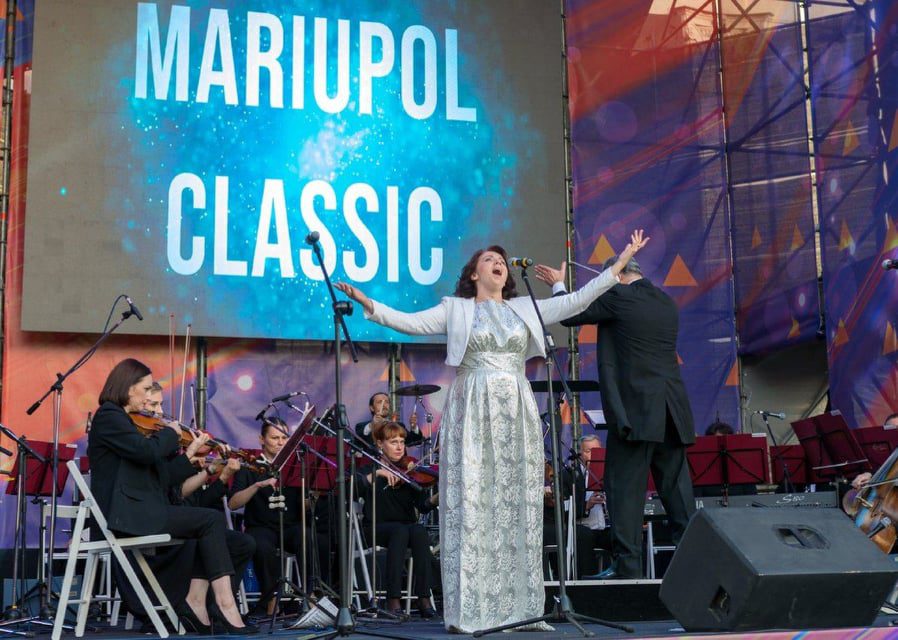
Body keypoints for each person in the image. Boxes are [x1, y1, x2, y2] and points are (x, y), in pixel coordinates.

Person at [336, 230, 647, 632]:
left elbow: (575, 301)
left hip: (515, 409)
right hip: (473, 408)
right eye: (489, 260)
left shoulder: (524, 307)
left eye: (501, 260)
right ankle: (473, 608)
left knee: (514, 502)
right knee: (475, 501)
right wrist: (370, 305)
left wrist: (618, 264)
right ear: (473, 274)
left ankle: (518, 608)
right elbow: (411, 323)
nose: (498, 263)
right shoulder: (456, 309)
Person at [536, 254, 695, 580]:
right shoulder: (665, 302)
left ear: (617, 275)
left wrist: (558, 285)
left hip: (635, 414)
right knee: (678, 495)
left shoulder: (619, 297)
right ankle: (696, 569)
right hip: (671, 411)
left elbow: (570, 314)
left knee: (624, 492)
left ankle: (627, 569)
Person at [87, 358, 256, 634]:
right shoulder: (109, 416)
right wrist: (169, 433)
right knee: (210, 520)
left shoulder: (127, 422)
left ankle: (198, 603)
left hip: (143, 508)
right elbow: (147, 452)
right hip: (127, 514)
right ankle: (224, 605)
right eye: (145, 389)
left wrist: (190, 457)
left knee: (223, 534)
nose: (148, 398)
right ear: (128, 387)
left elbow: (163, 477)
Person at [228, 417, 330, 614]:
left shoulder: (296, 465)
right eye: (275, 438)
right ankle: (271, 600)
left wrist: (314, 496)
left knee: (309, 537)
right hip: (260, 526)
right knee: (262, 546)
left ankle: (310, 595)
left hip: (290, 526)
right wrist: (257, 485)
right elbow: (233, 503)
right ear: (262, 439)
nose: (281, 442)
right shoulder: (249, 465)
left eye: (284, 438)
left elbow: (304, 506)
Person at [356, 421, 438, 618]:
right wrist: (378, 473)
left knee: (418, 531)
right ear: (380, 444)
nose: (400, 447)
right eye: (393, 442)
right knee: (400, 530)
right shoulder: (369, 469)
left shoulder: (409, 471)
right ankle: (392, 599)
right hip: (374, 528)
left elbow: (423, 505)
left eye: (402, 442)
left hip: (404, 529)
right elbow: (352, 488)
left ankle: (424, 597)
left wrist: (437, 498)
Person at [571, 435, 612, 577]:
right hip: (584, 529)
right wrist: (586, 505)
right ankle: (587, 581)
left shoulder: (611, 476)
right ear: (580, 454)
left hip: (605, 528)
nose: (593, 455)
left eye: (597, 451)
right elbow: (564, 509)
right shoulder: (571, 476)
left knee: (623, 536)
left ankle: (626, 576)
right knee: (584, 536)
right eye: (588, 451)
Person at [355, 392, 423, 451]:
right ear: (372, 408)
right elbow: (357, 442)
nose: (384, 405)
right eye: (380, 402)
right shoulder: (361, 427)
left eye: (387, 402)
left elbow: (414, 442)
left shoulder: (399, 426)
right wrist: (372, 425)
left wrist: (414, 427)